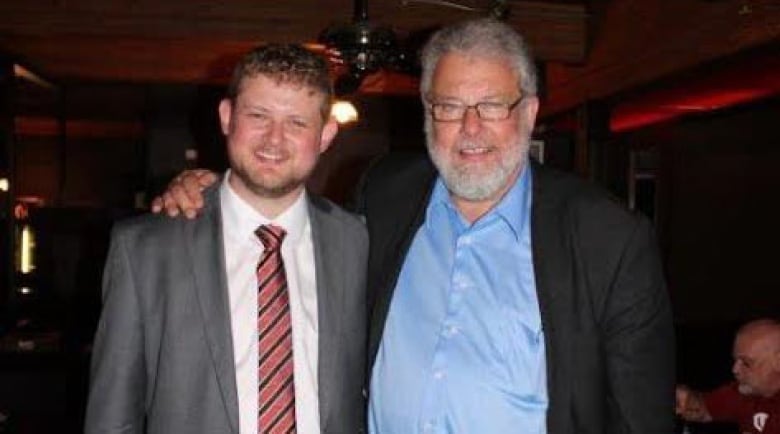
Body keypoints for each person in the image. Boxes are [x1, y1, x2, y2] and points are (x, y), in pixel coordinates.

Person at [153, 18, 675, 433]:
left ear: (530, 110)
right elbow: (297, 232)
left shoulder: (609, 238)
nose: (470, 129)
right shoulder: (386, 192)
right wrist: (217, 191)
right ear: (427, 113)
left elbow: (639, 420)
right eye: (448, 107)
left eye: (491, 106)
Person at [86, 44, 369, 434]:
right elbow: (112, 417)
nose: (274, 139)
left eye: (297, 123)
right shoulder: (145, 249)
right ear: (226, 117)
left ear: (325, 135)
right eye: (258, 116)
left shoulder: (357, 241)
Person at [676, 319, 780, 434]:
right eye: (736, 360)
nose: (735, 370)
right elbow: (704, 408)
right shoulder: (744, 393)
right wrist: (687, 400)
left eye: (746, 363)